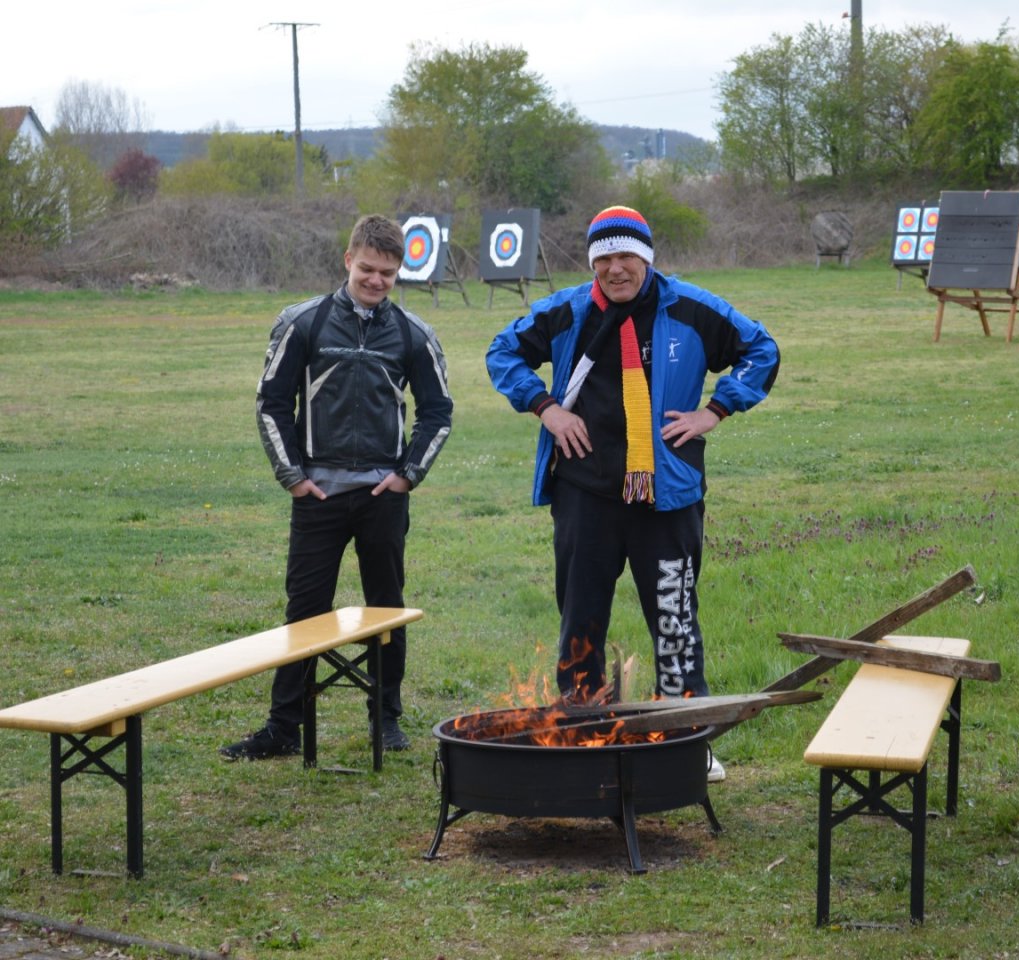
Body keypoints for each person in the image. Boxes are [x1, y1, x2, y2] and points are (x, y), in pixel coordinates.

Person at [485, 206, 779, 778]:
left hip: (665, 498)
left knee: (674, 619)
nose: (615, 270)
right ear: (592, 262)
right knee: (581, 619)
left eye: (626, 257)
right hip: (585, 494)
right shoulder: (569, 309)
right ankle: (581, 734)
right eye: (604, 259)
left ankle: (690, 740)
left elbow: (762, 349)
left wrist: (714, 411)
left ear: (646, 258)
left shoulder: (690, 308)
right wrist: (546, 408)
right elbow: (502, 351)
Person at [221, 215, 453, 760]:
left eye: (388, 274)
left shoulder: (416, 335)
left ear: (400, 272)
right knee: (305, 609)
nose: (376, 281)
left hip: (382, 500)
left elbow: (438, 412)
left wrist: (406, 476)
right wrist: (294, 478)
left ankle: (386, 719)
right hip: (318, 497)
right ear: (347, 259)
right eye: (368, 269)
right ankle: (283, 727)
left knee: (385, 609)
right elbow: (271, 404)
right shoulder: (302, 323)